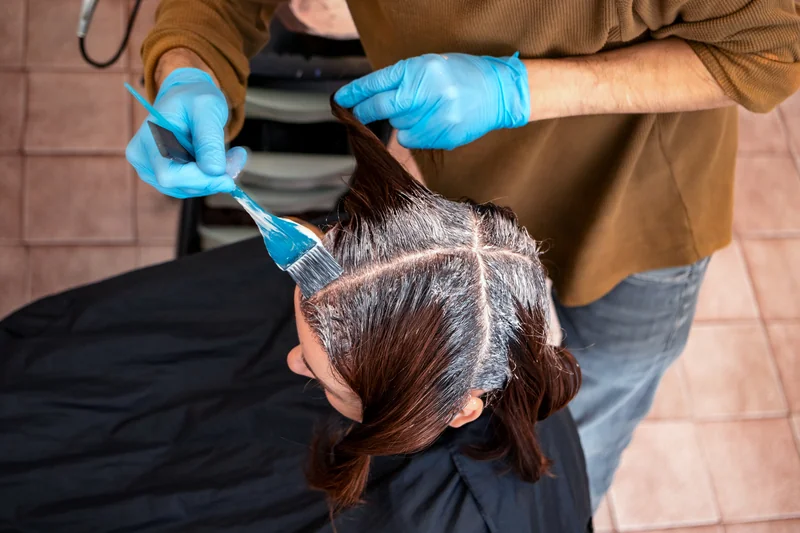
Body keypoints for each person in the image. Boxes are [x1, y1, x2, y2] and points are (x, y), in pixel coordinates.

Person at [126, 0, 800, 510]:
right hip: (440, 180)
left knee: (576, 440)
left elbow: (777, 43)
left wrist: (522, 89)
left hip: (629, 205)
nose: (293, 362)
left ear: (458, 409)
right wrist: (191, 61)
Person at [0, 104, 591, 533]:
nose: (293, 361)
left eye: (323, 375)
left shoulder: (436, 517)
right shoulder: (377, 289)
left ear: (458, 410)